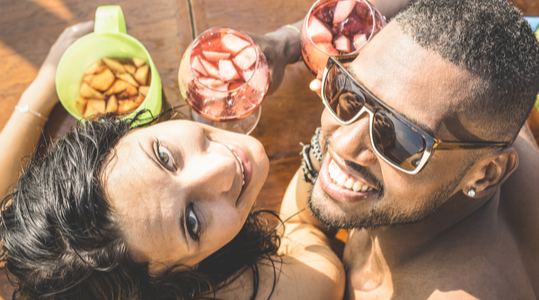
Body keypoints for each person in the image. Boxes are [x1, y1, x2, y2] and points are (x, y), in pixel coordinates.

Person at [0, 22, 344, 299]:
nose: (223, 166)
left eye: (163, 156)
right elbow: (322, 267)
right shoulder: (283, 289)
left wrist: (42, 89)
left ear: (125, 127)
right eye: (191, 222)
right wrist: (329, 149)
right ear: (180, 280)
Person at [277, 0, 539, 298]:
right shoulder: (478, 119)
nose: (344, 143)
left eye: (401, 138)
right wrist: (285, 42)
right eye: (348, 90)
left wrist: (321, 280)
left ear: (486, 175)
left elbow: (294, 220)